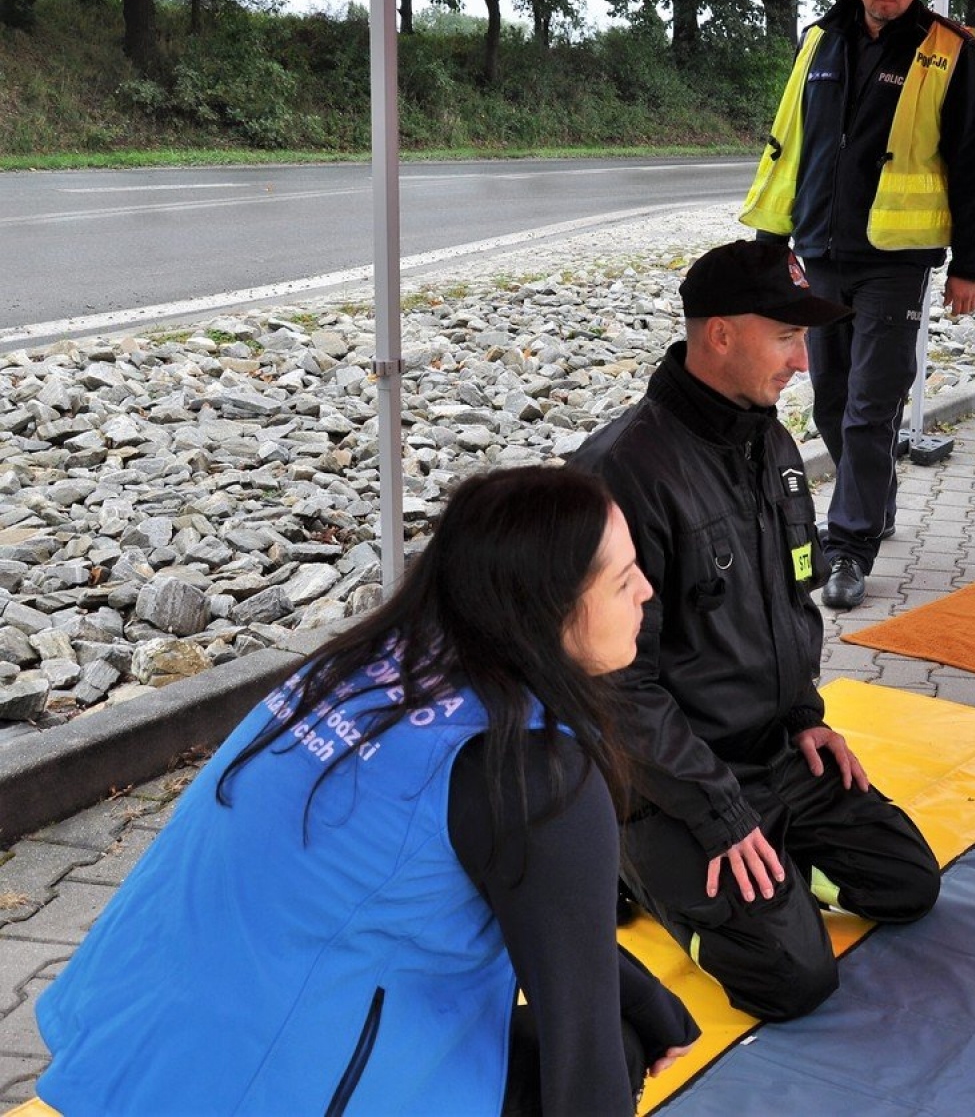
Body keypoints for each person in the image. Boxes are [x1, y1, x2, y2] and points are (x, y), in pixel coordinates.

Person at [34, 466, 699, 1115]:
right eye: (623, 579)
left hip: (129, 1057)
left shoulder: (353, 671)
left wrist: (643, 998)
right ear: (550, 610)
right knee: (611, 1044)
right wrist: (634, 1023)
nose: (646, 591)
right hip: (260, 1086)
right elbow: (583, 1057)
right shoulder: (531, 769)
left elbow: (542, 916)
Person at [571, 239, 942, 1022]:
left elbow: (787, 602)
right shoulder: (621, 476)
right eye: (786, 338)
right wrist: (718, 813)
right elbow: (616, 685)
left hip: (774, 754)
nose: (803, 363)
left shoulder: (768, 440)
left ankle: (773, 861)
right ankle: (633, 864)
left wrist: (806, 718)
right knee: (793, 978)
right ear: (720, 335)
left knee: (909, 884)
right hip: (672, 785)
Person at [740, 0, 975, 611]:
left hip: (897, 259)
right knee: (828, 399)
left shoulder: (949, 51)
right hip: (819, 251)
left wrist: (969, 264)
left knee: (868, 406)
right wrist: (770, 251)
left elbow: (974, 163)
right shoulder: (818, 41)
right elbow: (786, 146)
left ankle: (849, 548)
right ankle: (875, 504)